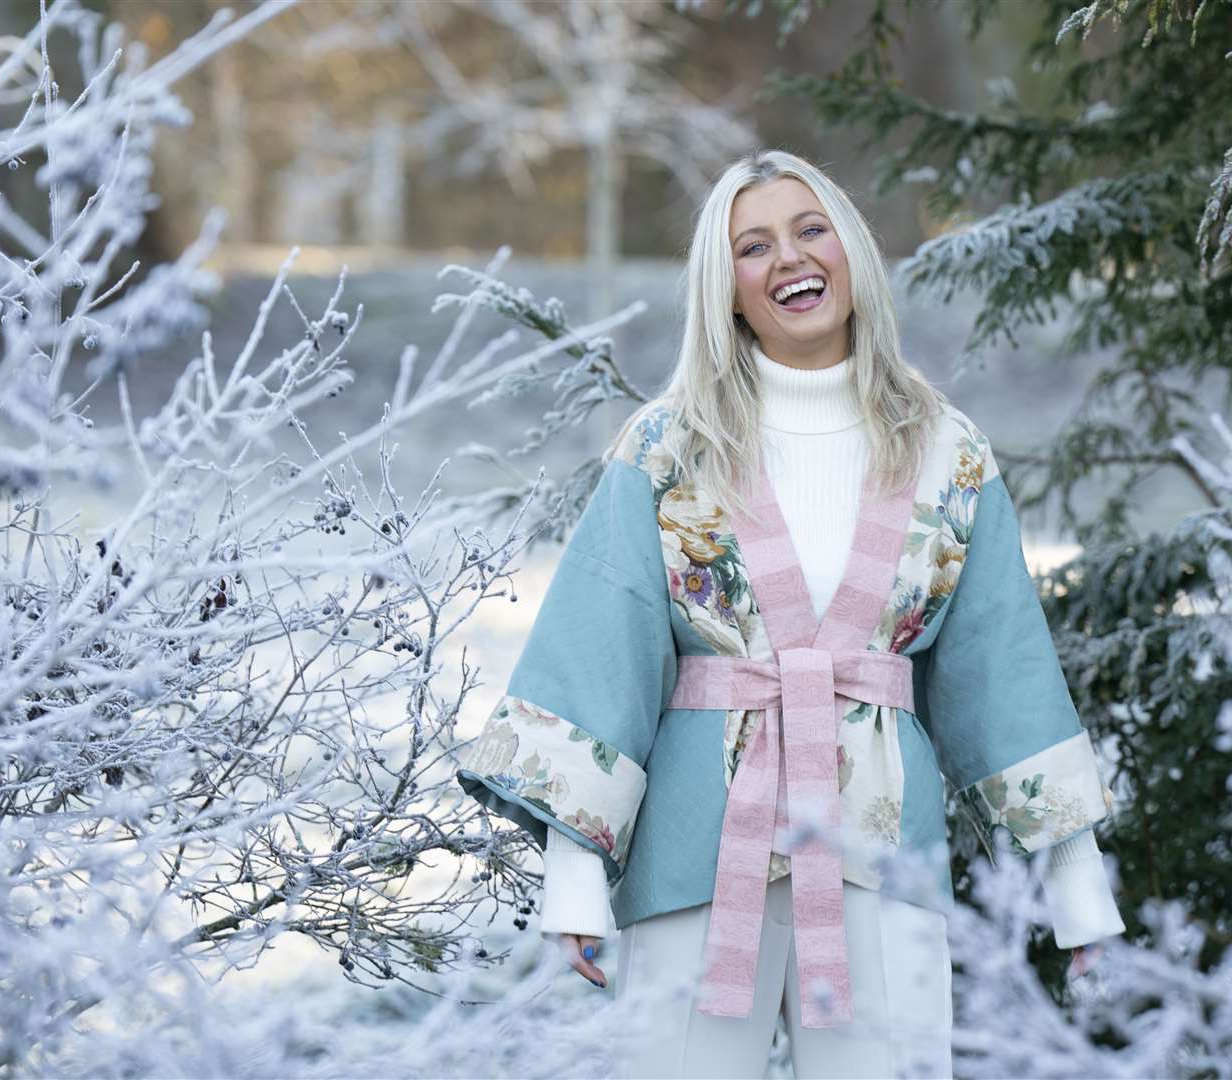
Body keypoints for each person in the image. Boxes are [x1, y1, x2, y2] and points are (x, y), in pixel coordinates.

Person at [457, 149, 1126, 1079]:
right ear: (724, 290)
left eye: (811, 230)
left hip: (881, 842)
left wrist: (1077, 890)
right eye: (753, 246)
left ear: (850, 249)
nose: (789, 260)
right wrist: (573, 879)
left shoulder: (947, 450)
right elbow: (598, 645)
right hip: (697, 842)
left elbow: (1000, 667)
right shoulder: (667, 444)